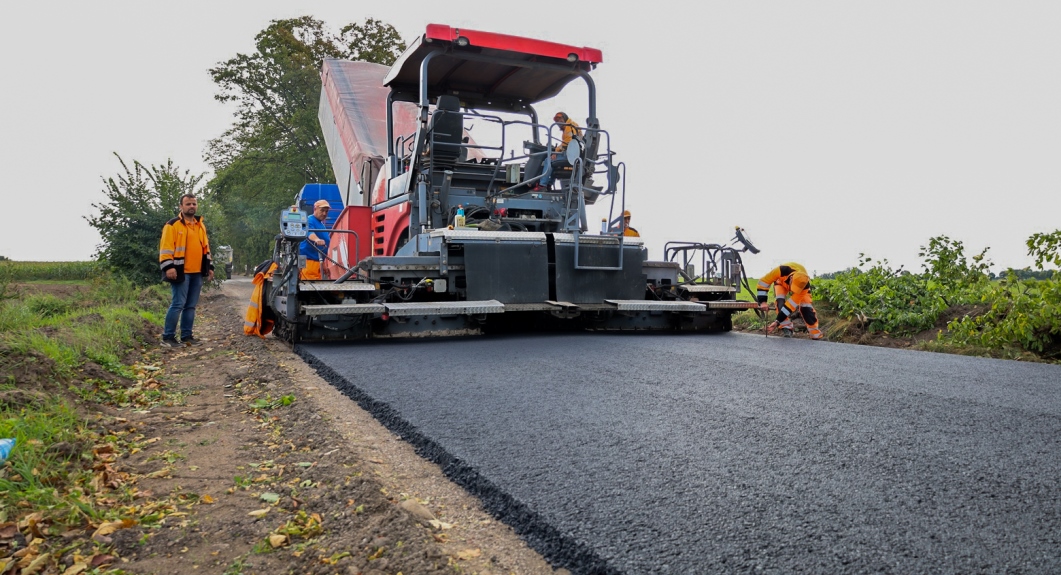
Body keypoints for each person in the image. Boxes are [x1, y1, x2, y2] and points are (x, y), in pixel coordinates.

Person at [159, 194, 214, 347]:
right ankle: (168, 337)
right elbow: (166, 248)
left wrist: (210, 267)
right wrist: (168, 267)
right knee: (178, 304)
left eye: (194, 204)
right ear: (181, 207)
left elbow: (206, 248)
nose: (192, 206)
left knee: (190, 305)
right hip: (180, 272)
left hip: (197, 272)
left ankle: (186, 336)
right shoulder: (172, 225)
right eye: (188, 204)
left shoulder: (200, 225)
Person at [756, 262, 823, 339]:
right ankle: (787, 328)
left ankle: (815, 334)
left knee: (806, 307)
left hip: (801, 289)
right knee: (780, 304)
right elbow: (763, 282)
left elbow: (789, 306)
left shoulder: (804, 286)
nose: (792, 290)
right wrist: (763, 302)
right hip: (781, 283)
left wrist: (777, 321)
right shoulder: (781, 270)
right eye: (793, 287)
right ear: (791, 278)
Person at [299, 199, 331, 280]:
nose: (324, 213)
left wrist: (323, 263)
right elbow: (309, 233)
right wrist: (317, 240)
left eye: (326, 211)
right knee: (310, 288)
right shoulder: (309, 220)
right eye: (322, 210)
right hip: (309, 262)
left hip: (317, 262)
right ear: (315, 209)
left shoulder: (321, 224)